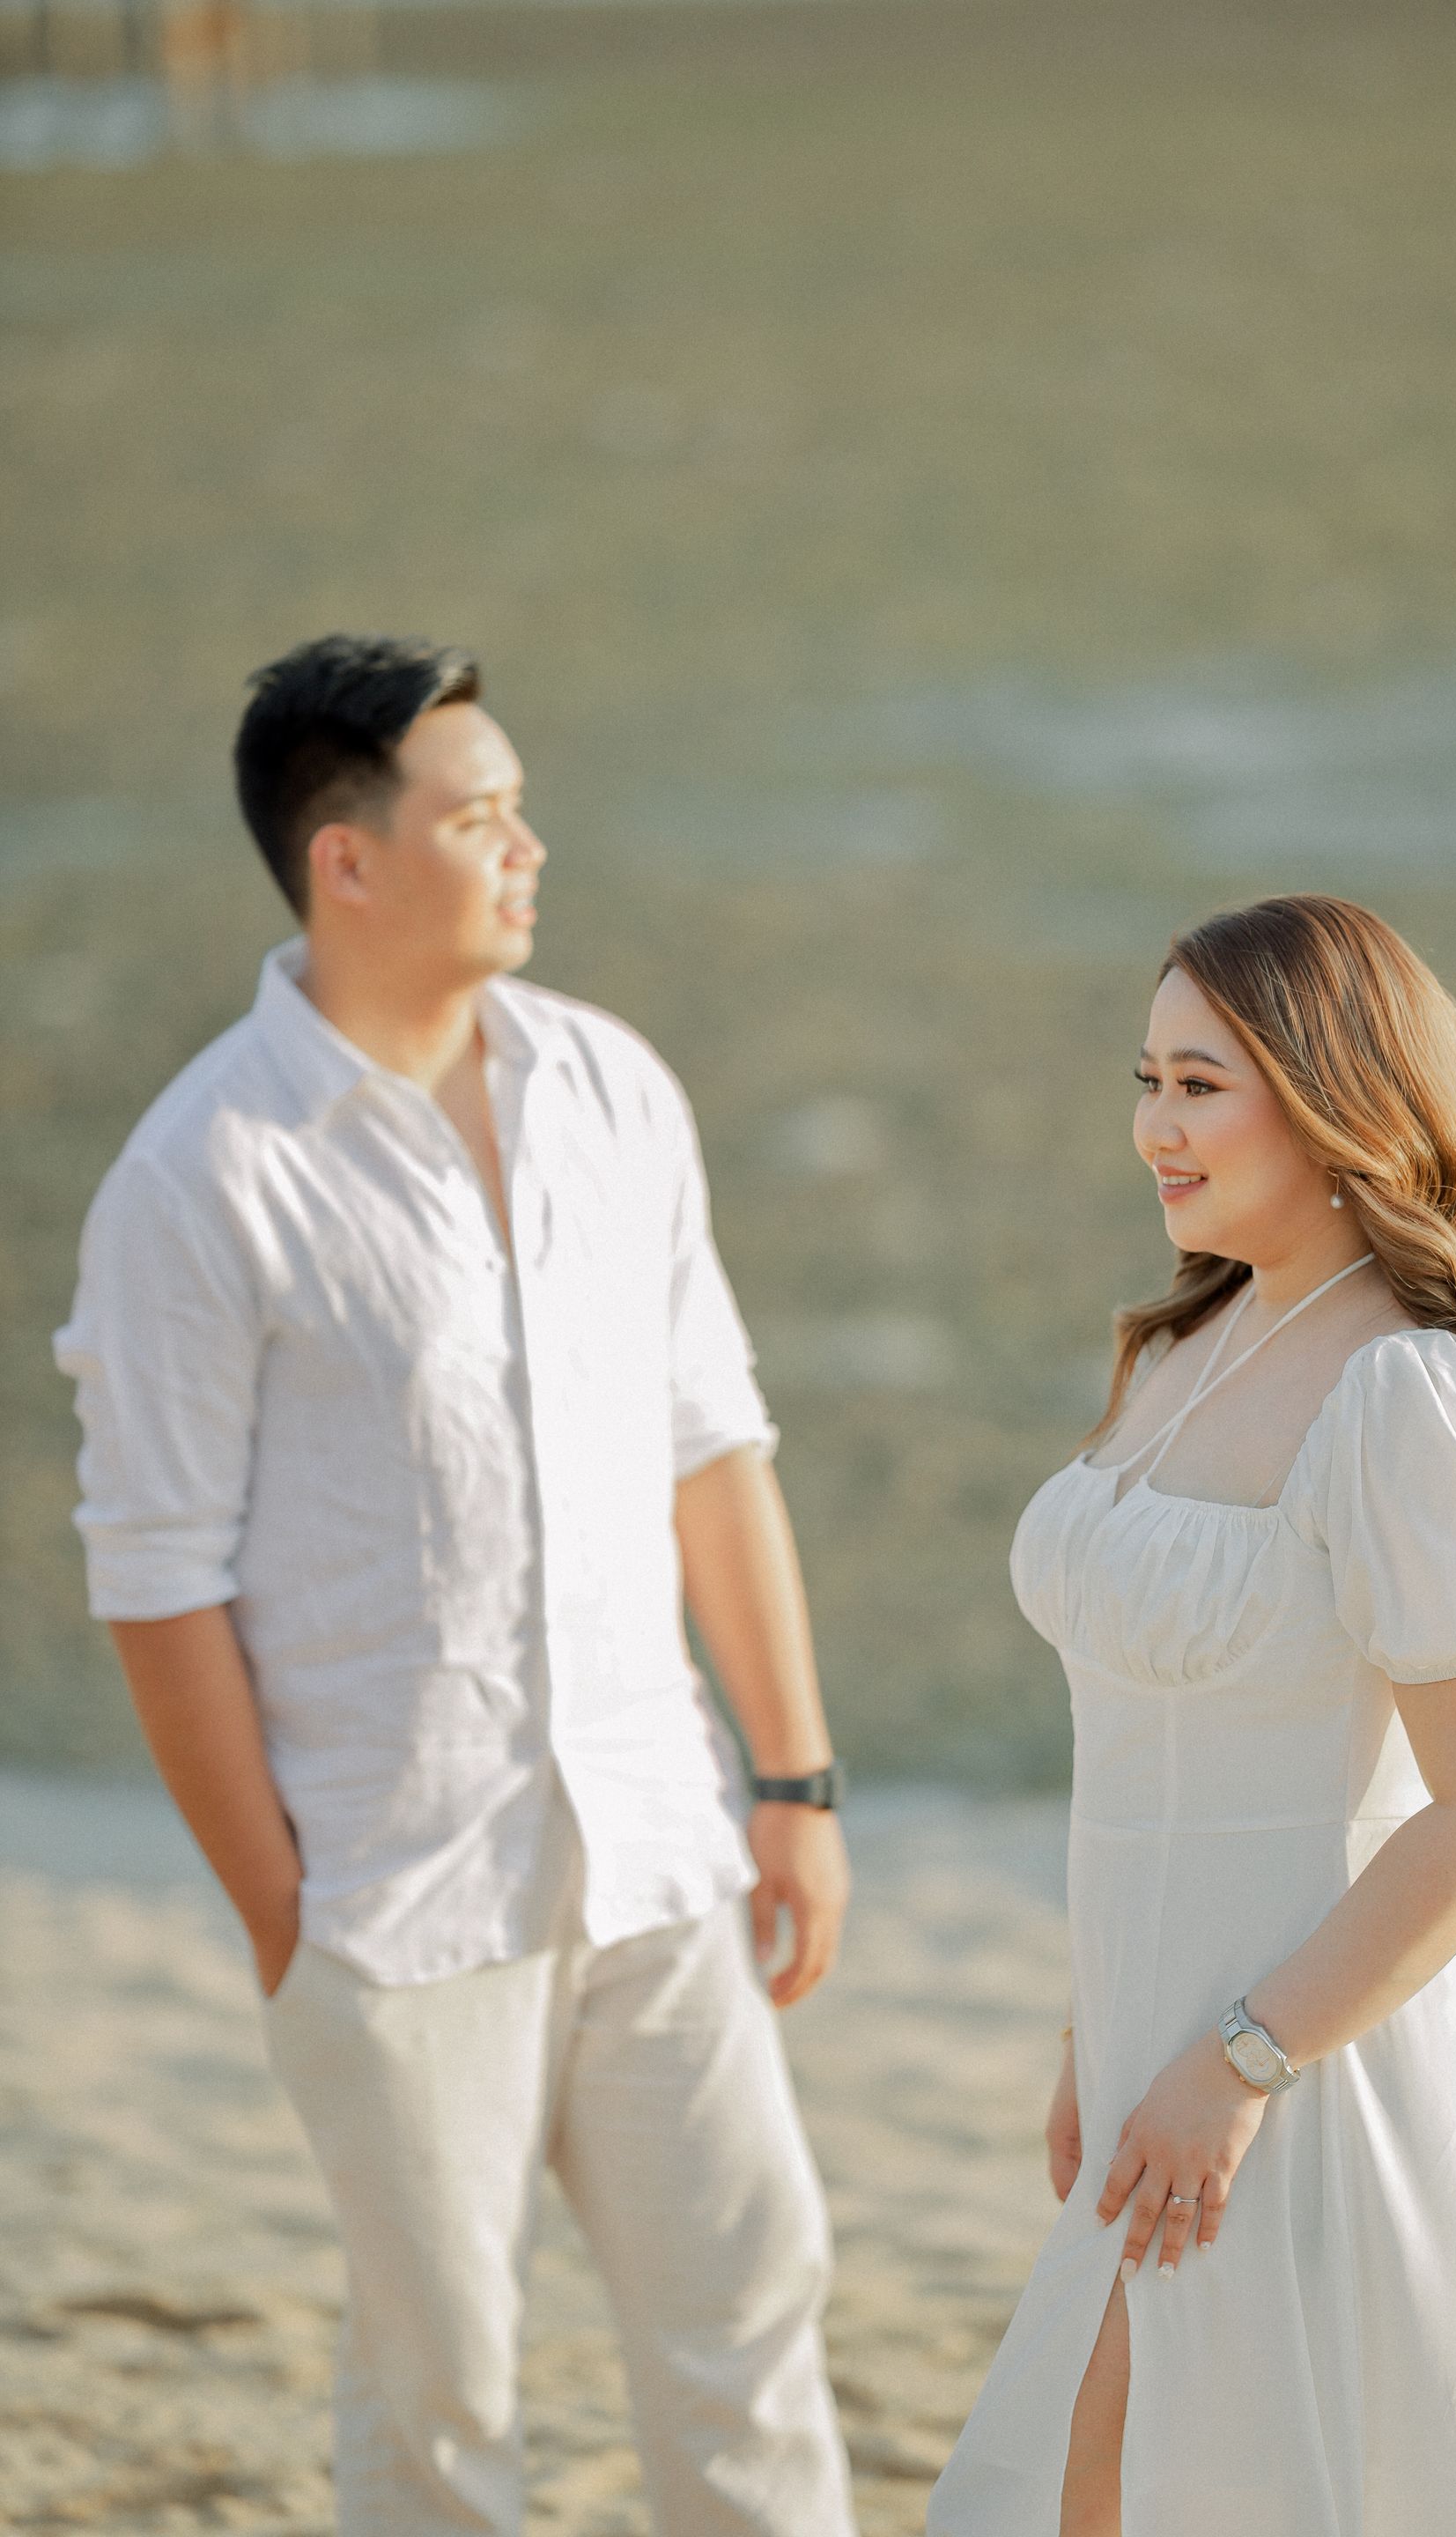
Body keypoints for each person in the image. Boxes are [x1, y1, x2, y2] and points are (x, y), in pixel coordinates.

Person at [54, 633, 859, 2537]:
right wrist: (287, 1923)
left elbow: (711, 1448)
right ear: (347, 861)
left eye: (519, 809)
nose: (528, 848)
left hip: (657, 1844)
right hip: (394, 1895)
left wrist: (796, 1782)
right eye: (481, 816)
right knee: (443, 2399)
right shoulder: (203, 1177)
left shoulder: (612, 1088)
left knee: (753, 2317)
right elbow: (157, 1584)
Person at [928, 893, 1456, 2537]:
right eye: (1146, 1081)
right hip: (1155, 2049)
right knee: (1106, 2482)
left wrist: (1240, 2062)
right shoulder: (1187, 1341)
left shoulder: (1416, 1397)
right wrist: (1097, 2037)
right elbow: (1152, 1752)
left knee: (1142, 2479)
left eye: (1200, 1086)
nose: (1155, 1128)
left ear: (1328, 1100)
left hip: (1314, 2055)